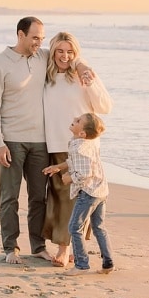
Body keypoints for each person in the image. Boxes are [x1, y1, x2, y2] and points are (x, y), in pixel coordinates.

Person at [0, 17, 93, 264]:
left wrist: (83, 67)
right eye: (35, 38)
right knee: (9, 196)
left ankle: (37, 246)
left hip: (40, 141)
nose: (39, 43)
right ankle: (10, 247)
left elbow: (67, 55)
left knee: (38, 197)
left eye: (42, 39)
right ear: (20, 35)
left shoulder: (42, 57)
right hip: (11, 141)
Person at [42, 32, 113, 268]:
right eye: (60, 51)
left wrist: (86, 75)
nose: (65, 56)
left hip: (84, 148)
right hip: (57, 144)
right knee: (62, 199)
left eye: (70, 51)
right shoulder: (47, 75)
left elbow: (105, 106)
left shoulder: (84, 75)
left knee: (83, 199)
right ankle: (69, 247)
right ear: (52, 51)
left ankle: (66, 249)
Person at [43, 113, 114, 276]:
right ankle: (108, 262)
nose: (73, 120)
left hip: (89, 193)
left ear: (82, 133)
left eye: (77, 121)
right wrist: (58, 167)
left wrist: (69, 178)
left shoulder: (79, 147)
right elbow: (74, 162)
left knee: (75, 227)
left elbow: (84, 173)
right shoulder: (88, 143)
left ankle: (82, 265)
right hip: (101, 190)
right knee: (99, 227)